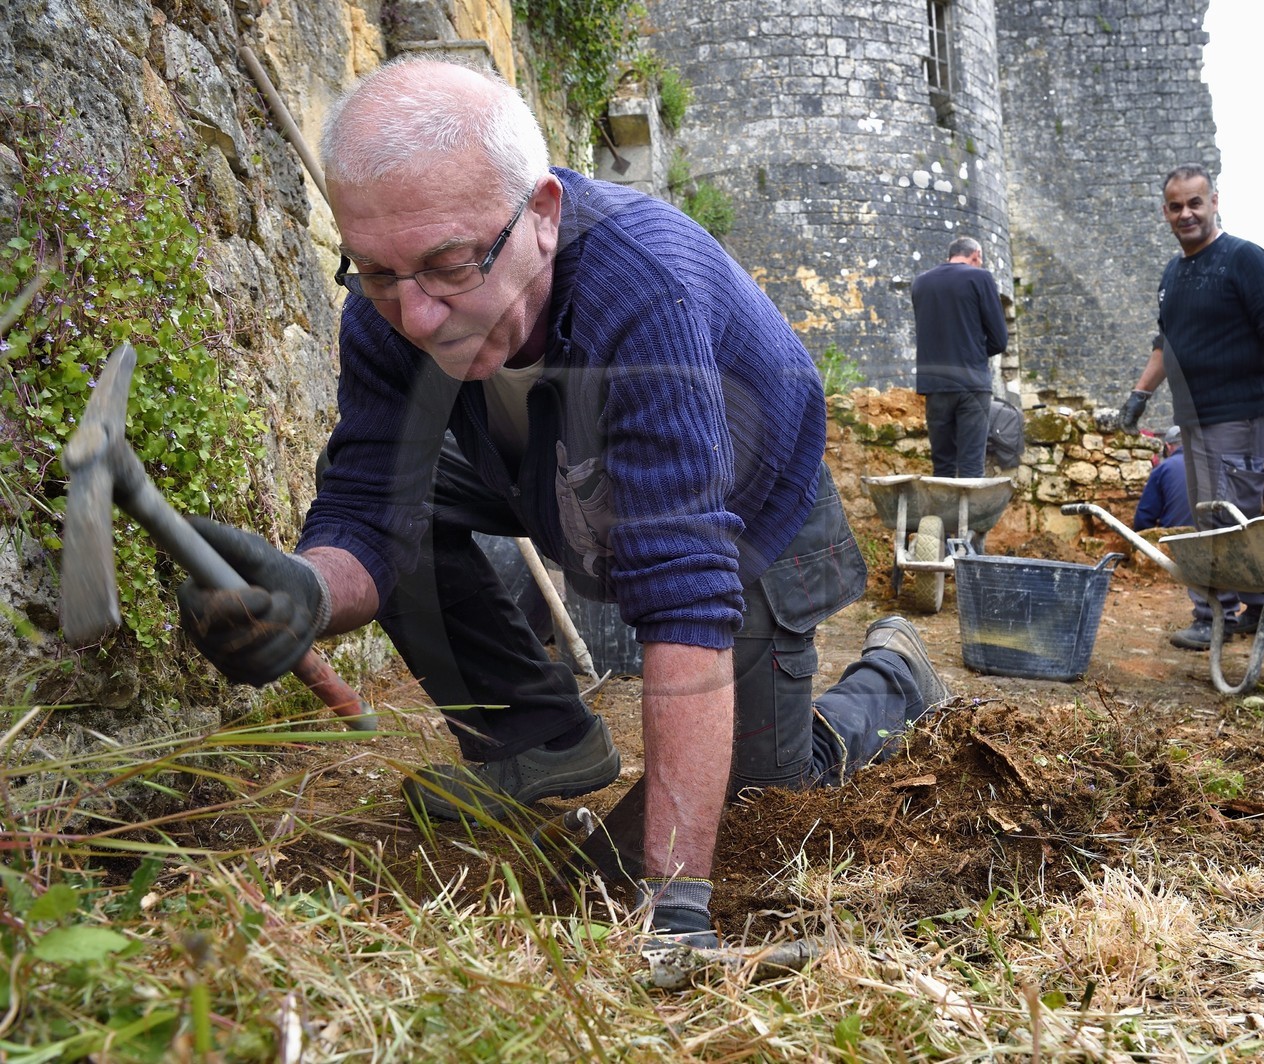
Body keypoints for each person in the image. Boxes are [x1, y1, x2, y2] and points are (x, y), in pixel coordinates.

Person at [171, 57, 951, 947]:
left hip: (742, 499)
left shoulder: (641, 289)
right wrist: (306, 592)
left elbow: (684, 594)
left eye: (449, 267)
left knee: (763, 790)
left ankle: (892, 675)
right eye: (378, 272)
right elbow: (369, 512)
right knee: (411, 500)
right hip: (550, 466)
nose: (416, 316)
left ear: (542, 215)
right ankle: (538, 740)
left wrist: (676, 907)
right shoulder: (387, 308)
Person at [1117, 164, 1264, 650]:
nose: (1186, 214)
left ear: (1214, 201)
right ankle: (1260, 607)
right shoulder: (1173, 275)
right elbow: (1167, 344)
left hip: (1237, 413)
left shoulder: (1243, 259)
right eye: (1176, 206)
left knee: (1230, 514)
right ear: (1165, 212)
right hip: (1193, 418)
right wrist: (1140, 395)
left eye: (1195, 203)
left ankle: (1219, 615)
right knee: (1210, 518)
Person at [911, 237, 1008, 477]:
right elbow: (999, 339)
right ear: (975, 255)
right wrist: (972, 354)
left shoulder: (921, 283)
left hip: (935, 385)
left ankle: (943, 515)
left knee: (942, 465)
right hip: (971, 384)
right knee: (971, 466)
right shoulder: (980, 277)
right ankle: (970, 516)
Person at [1133, 426, 1192, 532]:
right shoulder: (1211, 465)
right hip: (1213, 537)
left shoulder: (1163, 468)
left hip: (1175, 540)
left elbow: (1144, 518)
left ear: (1168, 447)